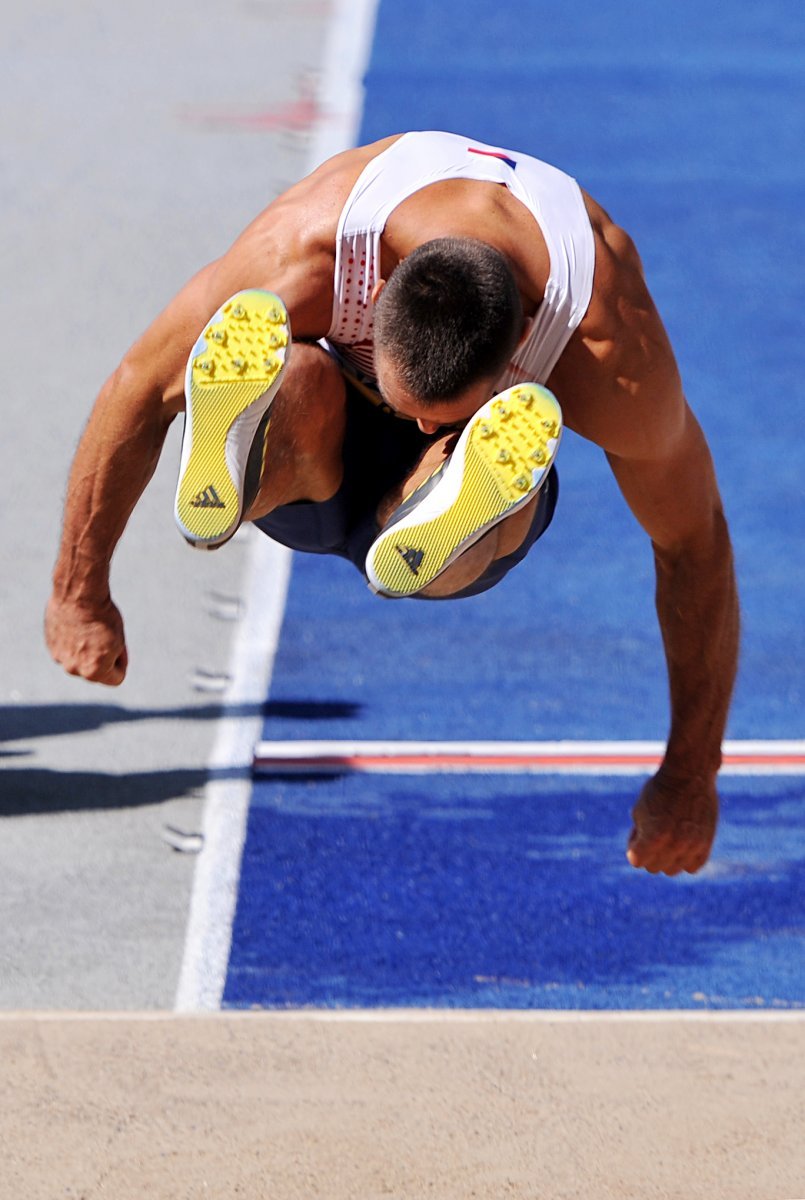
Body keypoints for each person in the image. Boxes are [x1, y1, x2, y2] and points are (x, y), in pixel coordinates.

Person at [45, 131, 739, 878]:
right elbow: (139, 387)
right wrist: (75, 590)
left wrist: (82, 593)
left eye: (434, 416)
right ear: (377, 295)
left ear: (517, 354)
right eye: (411, 406)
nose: (413, 423)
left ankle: (441, 487)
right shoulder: (307, 241)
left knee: (480, 461)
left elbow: (693, 546)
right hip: (323, 453)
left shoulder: (605, 349)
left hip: (372, 472)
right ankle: (279, 451)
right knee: (305, 381)